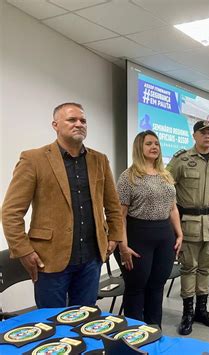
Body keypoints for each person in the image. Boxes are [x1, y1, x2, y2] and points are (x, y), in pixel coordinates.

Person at [1, 102, 123, 308]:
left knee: (85, 319)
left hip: (91, 259)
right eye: (71, 120)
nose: (79, 124)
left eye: (83, 120)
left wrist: (115, 236)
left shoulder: (99, 160)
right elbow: (11, 212)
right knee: (52, 323)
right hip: (49, 259)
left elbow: (112, 205)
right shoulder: (34, 159)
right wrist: (23, 250)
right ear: (55, 124)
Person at [167, 120, 209, 336]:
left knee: (205, 268)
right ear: (194, 135)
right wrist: (172, 216)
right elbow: (167, 187)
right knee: (188, 268)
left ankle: (202, 311)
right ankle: (187, 313)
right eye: (202, 132)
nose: (207, 136)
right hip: (189, 223)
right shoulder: (181, 159)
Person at [116, 130, 183, 327]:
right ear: (139, 147)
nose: (154, 147)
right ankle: (134, 335)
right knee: (136, 288)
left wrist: (179, 233)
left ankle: (155, 330)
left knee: (157, 286)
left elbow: (173, 208)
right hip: (138, 236)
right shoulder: (128, 177)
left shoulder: (166, 175)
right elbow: (120, 216)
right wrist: (123, 247)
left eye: (156, 143)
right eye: (148, 144)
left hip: (164, 236)